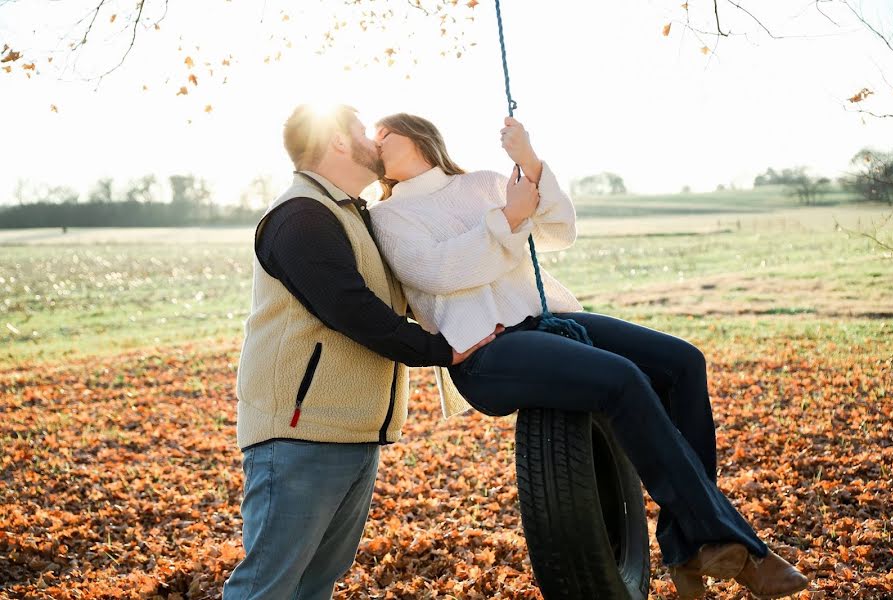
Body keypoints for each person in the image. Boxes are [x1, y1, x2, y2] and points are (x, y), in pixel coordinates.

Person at [368, 113, 810, 600]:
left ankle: (687, 549)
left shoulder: (485, 185)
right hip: (485, 350)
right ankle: (731, 546)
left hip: (547, 320)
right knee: (619, 379)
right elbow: (439, 271)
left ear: (420, 136)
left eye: (384, 132)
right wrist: (510, 219)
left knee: (683, 362)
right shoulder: (388, 216)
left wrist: (530, 165)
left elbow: (559, 231)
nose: (375, 142)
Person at [223, 105, 497, 600]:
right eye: (363, 131)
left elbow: (411, 290)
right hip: (299, 435)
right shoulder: (301, 215)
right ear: (338, 143)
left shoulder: (351, 215)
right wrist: (443, 350)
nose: (375, 141)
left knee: (313, 587)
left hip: (351, 432)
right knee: (268, 586)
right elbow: (351, 310)